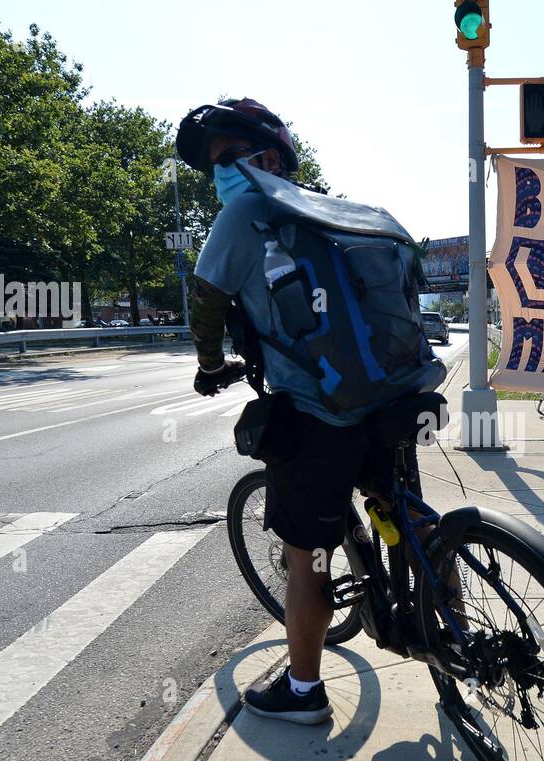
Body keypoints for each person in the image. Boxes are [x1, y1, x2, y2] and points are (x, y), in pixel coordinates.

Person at [177, 98, 441, 724]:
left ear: (267, 157)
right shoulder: (340, 209)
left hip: (321, 417)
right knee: (402, 511)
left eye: (226, 159)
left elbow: (206, 302)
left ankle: (303, 693)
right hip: (397, 398)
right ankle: (446, 623)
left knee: (307, 560)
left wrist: (211, 366)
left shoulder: (247, 212)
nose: (219, 174)